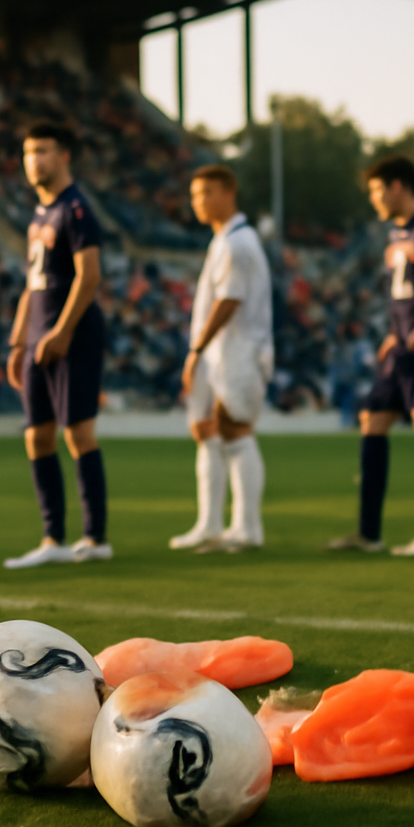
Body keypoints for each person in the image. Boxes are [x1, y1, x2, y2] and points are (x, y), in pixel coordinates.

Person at [328, 156, 414, 557]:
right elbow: (405, 293)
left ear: (398, 186)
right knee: (372, 421)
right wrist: (395, 333)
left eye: (376, 190)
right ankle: (369, 534)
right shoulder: (396, 234)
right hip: (401, 346)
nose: (373, 199)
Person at [2, 122, 110, 569]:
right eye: (29, 152)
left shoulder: (77, 209)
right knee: (36, 436)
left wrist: (62, 331)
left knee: (78, 433)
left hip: (74, 336)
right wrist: (17, 341)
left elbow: (89, 276)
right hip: (37, 339)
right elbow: (32, 285)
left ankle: (95, 537)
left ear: (64, 156)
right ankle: (52, 538)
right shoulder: (39, 215)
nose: (34, 160)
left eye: (43, 151)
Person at [169, 165, 273, 554]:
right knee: (206, 431)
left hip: (239, 349)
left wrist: (196, 348)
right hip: (218, 351)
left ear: (229, 194)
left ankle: (248, 527)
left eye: (208, 193)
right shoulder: (224, 240)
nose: (200, 201)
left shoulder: (238, 244)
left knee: (234, 429)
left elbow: (230, 299)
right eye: (195, 194)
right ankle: (210, 524)